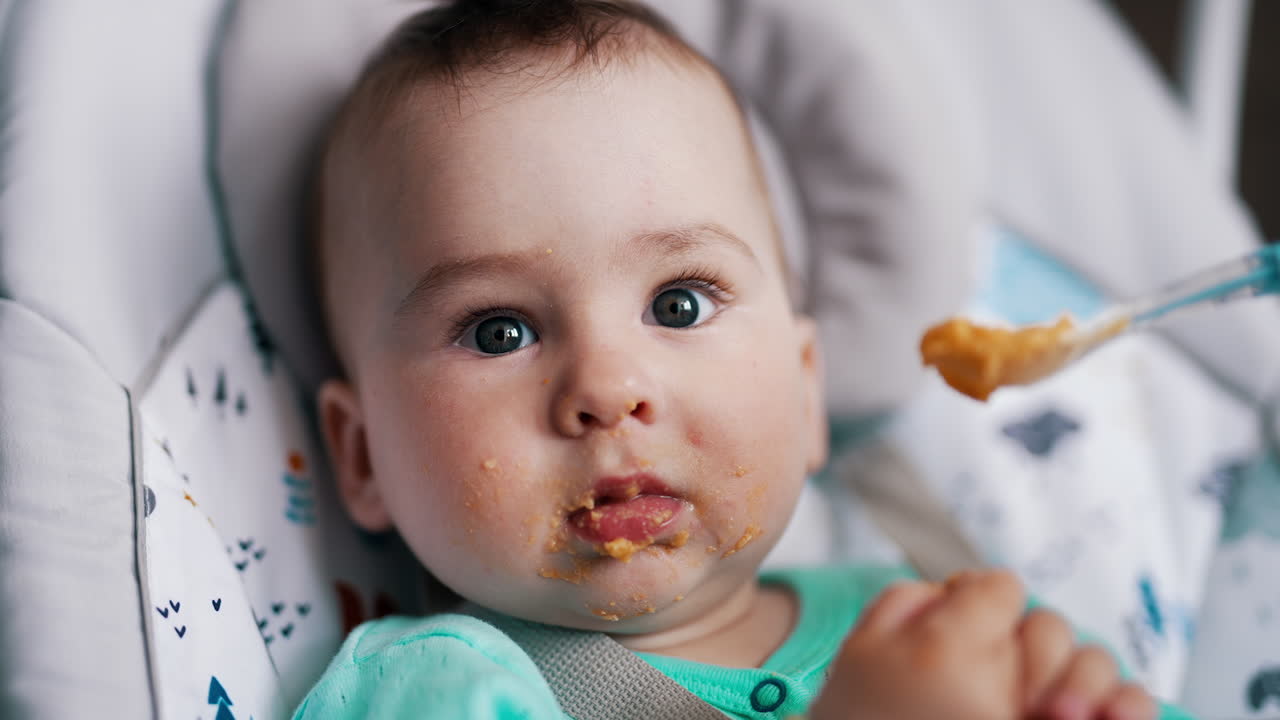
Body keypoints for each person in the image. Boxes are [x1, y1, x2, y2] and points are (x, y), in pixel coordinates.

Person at [298, 1, 1187, 717]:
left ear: (808, 391)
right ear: (363, 451)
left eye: (678, 304)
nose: (608, 389)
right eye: (500, 331)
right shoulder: (434, 691)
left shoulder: (938, 620)